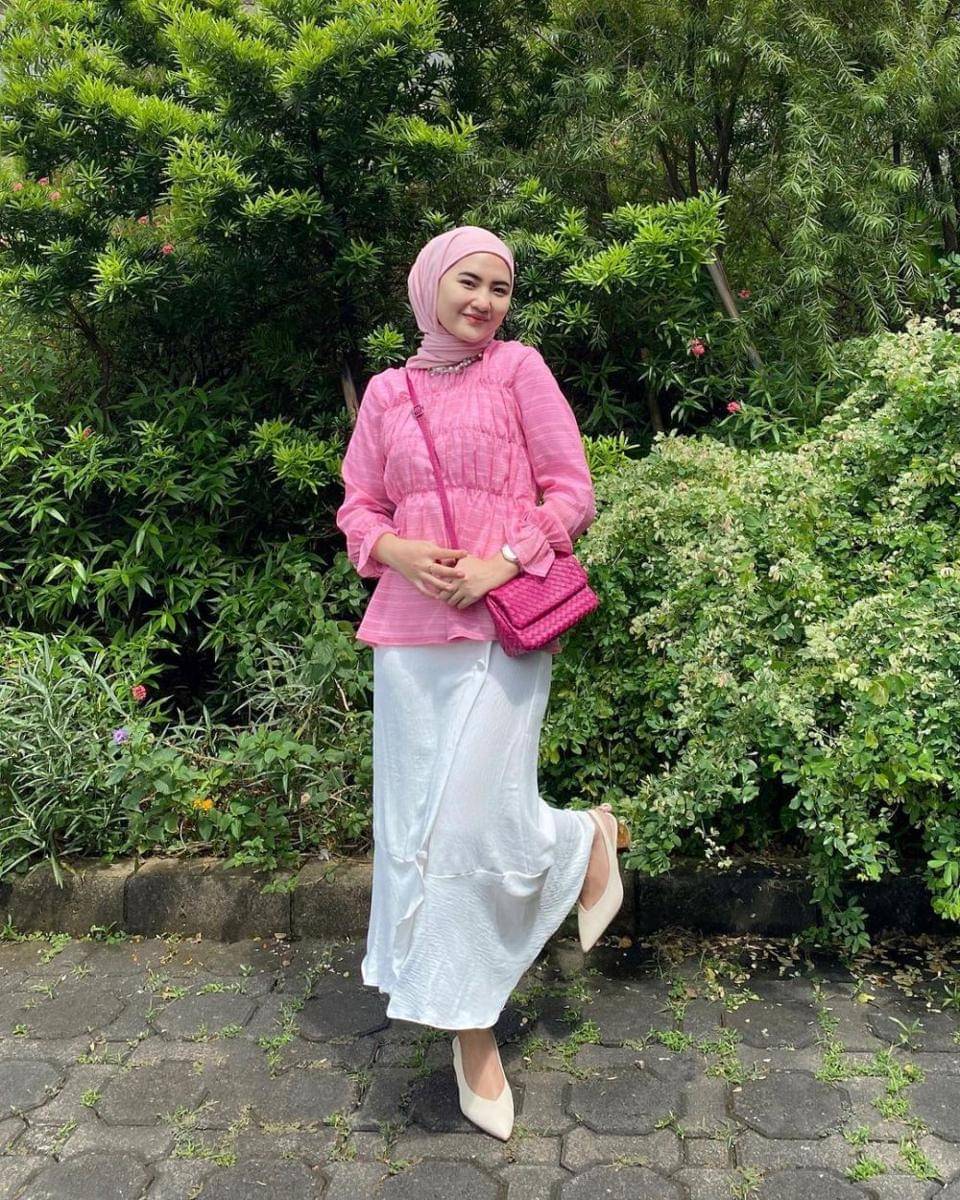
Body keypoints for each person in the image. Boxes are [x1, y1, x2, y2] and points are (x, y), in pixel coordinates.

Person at [335, 225, 626, 1141]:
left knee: (469, 826)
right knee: (419, 835)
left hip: (504, 625)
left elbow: (572, 491)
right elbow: (358, 506)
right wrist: (394, 549)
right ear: (430, 285)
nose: (485, 302)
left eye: (500, 288)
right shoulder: (388, 393)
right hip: (408, 639)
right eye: (470, 282)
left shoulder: (519, 370)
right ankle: (475, 1023)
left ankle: (572, 849)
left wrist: (506, 558)